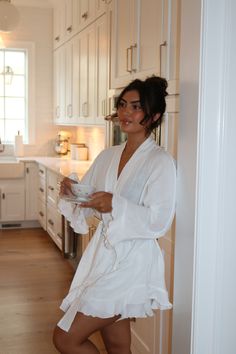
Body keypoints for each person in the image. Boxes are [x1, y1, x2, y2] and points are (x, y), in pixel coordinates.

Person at [53, 76, 176, 354]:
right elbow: (90, 194)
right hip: (104, 256)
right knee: (118, 345)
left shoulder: (160, 162)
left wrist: (115, 205)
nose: (125, 112)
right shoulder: (108, 155)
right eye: (122, 105)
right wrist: (72, 189)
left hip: (131, 262)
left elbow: (158, 221)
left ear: (153, 115)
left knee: (65, 338)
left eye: (135, 106)